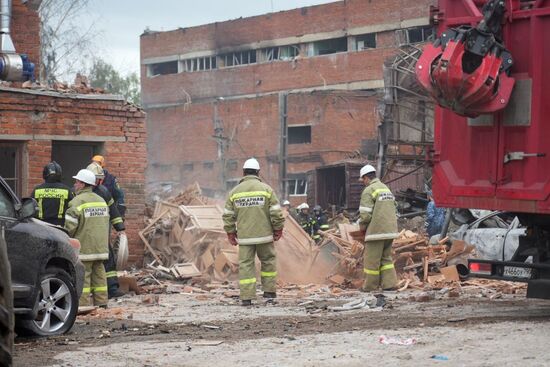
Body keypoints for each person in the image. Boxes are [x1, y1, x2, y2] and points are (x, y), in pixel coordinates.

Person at [222, 158, 285, 306]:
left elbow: (228, 215)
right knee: (268, 261)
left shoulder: (234, 192)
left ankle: (246, 297)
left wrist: (231, 232)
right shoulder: (267, 189)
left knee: (245, 265)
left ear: (243, 172)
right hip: (265, 236)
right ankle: (269, 291)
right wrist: (278, 229)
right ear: (258, 172)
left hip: (245, 238)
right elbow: (276, 213)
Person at [64, 169, 110, 308]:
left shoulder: (77, 202)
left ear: (83, 184)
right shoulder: (101, 200)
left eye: (77, 181)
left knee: (83, 278)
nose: (75, 184)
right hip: (100, 248)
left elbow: (69, 228)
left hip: (84, 248)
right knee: (100, 278)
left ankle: (83, 306)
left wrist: (66, 240)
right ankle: (102, 304)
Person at [86, 162, 126, 299]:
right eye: (97, 179)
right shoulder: (79, 192)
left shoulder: (104, 191)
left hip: (101, 232)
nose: (99, 181)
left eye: (100, 179)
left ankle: (112, 289)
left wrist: (120, 227)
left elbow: (113, 210)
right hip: (85, 234)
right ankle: (85, 294)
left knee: (108, 260)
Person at [358, 164, 399, 292]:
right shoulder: (385, 188)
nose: (363, 183)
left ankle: (369, 286)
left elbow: (365, 215)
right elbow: (395, 206)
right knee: (386, 259)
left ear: (365, 178)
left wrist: (362, 228)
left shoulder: (369, 190)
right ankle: (390, 284)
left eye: (363, 180)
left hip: (376, 232)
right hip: (390, 231)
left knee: (371, 261)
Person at [31, 161, 75, 226]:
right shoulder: (67, 190)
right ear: (60, 174)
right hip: (60, 226)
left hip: (41, 225)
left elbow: (30, 207)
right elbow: (73, 209)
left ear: (45, 174)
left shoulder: (37, 190)